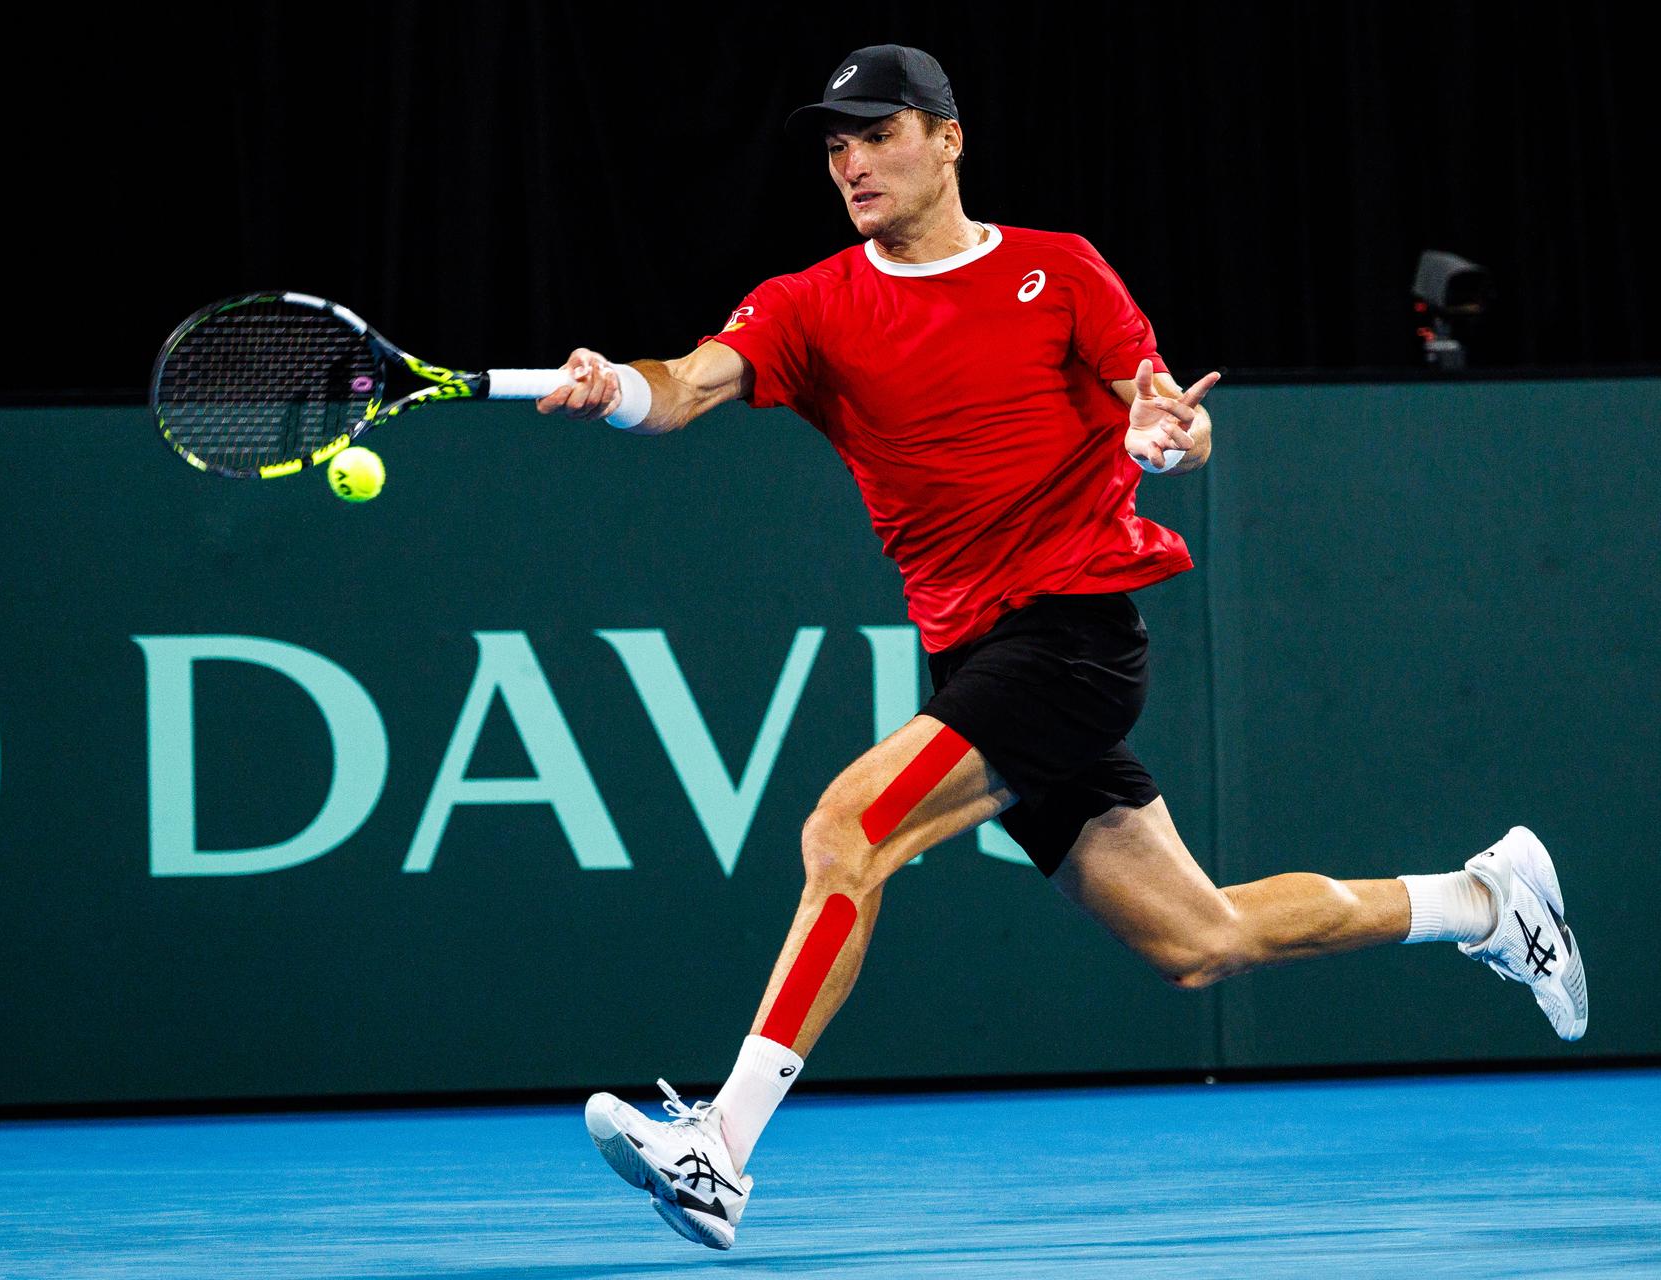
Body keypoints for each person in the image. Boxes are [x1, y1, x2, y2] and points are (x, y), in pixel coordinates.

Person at [540, 45, 1588, 1252]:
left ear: (947, 138)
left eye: (876, 133)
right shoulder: (809, 302)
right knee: (1202, 941)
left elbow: (1169, 420)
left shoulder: (1060, 270)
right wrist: (616, 382)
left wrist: (1168, 438)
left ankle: (720, 1146)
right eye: (835, 144)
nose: (851, 162)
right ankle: (1482, 901)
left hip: (1073, 636)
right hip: (976, 655)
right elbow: (688, 382)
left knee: (847, 830)